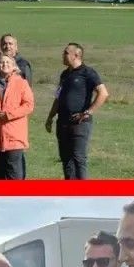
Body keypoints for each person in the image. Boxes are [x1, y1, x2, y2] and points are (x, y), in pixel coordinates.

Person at [46, 43, 108, 180]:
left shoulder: (88, 73)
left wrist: (87, 112)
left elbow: (103, 93)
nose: (63, 55)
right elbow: (58, 97)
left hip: (79, 123)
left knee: (79, 158)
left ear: (76, 55)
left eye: (66, 53)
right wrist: (50, 117)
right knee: (66, 159)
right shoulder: (64, 74)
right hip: (62, 122)